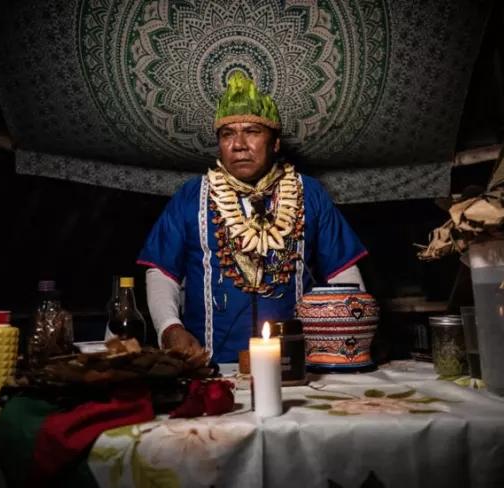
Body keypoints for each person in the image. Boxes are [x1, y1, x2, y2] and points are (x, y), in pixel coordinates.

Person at [137, 72, 368, 363]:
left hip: (297, 365)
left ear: (275, 143)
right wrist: (169, 329)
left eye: (252, 131)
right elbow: (162, 272)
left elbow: (343, 275)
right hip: (210, 364)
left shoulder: (309, 192)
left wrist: (353, 340)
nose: (239, 144)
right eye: (227, 134)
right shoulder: (191, 195)